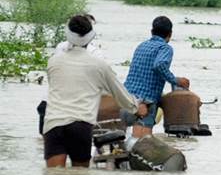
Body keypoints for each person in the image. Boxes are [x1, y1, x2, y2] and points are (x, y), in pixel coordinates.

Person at [43, 15, 147, 167]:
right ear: (91, 36)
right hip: (80, 125)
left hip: (53, 124)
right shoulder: (99, 64)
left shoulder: (53, 61)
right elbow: (119, 93)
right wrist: (137, 107)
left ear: (67, 34)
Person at [125, 16, 190, 138]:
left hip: (126, 97)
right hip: (144, 101)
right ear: (170, 34)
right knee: (143, 141)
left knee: (132, 138)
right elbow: (159, 65)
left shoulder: (142, 46)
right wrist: (176, 80)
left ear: (152, 31)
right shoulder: (165, 48)